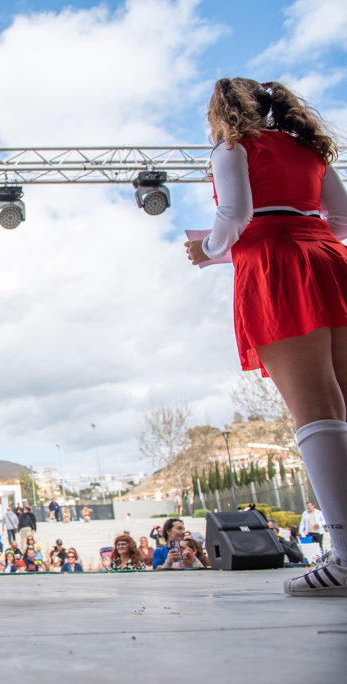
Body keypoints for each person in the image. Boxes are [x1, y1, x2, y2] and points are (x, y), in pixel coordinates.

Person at [185, 78, 347, 596]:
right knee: (342, 404)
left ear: (222, 110)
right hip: (331, 260)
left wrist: (209, 249)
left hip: (276, 266)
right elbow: (342, 220)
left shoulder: (231, 147)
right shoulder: (309, 149)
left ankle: (345, 558)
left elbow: (234, 215)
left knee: (316, 408)